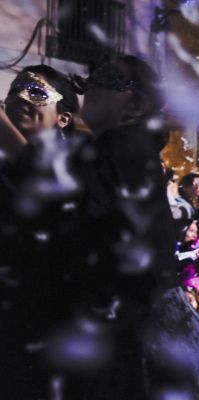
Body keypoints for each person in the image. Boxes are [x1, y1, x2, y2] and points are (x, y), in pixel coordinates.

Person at [0, 64, 84, 398]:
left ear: (62, 118)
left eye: (35, 92)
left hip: (43, 323)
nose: (22, 96)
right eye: (16, 88)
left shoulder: (77, 162)